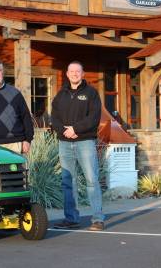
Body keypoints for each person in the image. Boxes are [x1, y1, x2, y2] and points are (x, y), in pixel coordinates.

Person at [51, 61, 105, 231]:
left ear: (83, 74)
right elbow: (54, 118)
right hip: (65, 144)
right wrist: (65, 131)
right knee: (68, 181)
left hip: (85, 142)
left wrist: (76, 129)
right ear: (67, 74)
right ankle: (71, 218)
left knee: (91, 180)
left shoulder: (91, 93)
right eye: (71, 71)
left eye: (78, 71)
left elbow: (94, 118)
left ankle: (97, 219)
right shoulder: (61, 95)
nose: (74, 74)